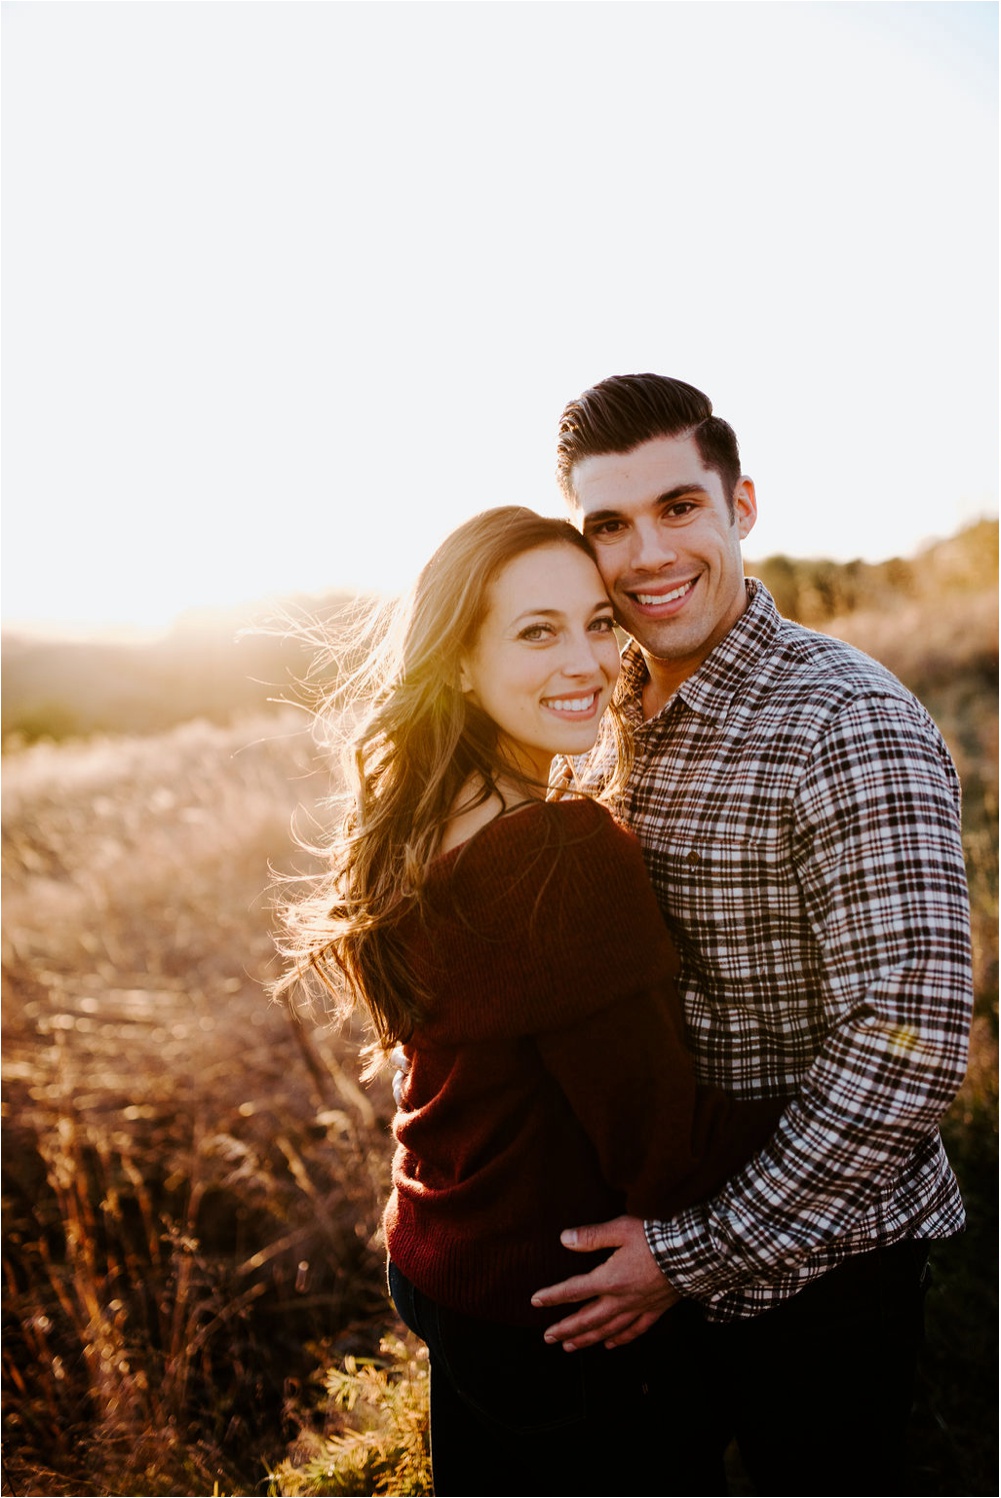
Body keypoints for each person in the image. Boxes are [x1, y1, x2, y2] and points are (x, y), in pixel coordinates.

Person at [518, 374, 975, 1492]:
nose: (646, 554)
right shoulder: (594, 708)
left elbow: (906, 1041)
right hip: (651, 1245)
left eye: (678, 507)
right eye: (609, 525)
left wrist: (688, 1253)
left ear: (742, 505)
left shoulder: (844, 720)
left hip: (825, 1273)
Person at [274, 507, 784, 1495]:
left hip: (439, 1257)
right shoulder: (559, 850)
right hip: (563, 1312)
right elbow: (663, 1154)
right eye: (537, 631)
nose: (589, 661)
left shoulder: (415, 818)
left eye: (599, 621)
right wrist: (851, 1101)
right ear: (460, 662)